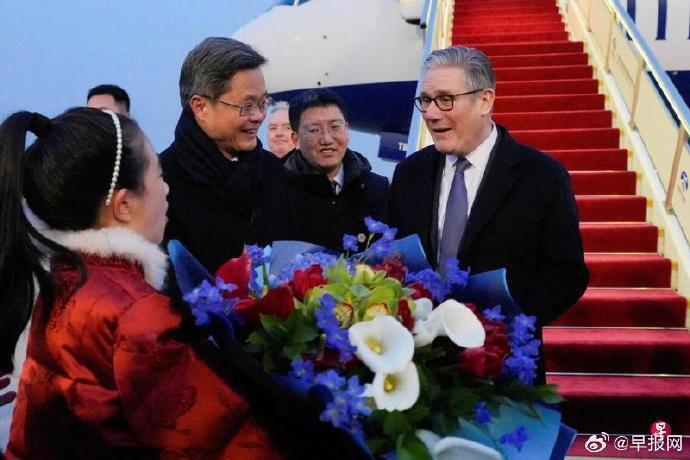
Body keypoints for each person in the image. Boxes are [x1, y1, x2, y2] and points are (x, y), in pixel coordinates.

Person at [0, 108, 281, 458]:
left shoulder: (61, 285)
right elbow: (219, 439)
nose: (166, 189)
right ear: (123, 205)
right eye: (159, 175)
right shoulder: (134, 312)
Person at [389, 46, 589, 372]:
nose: (431, 113)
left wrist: (503, 324)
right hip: (419, 366)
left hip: (501, 363)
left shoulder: (542, 176)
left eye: (445, 99)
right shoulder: (409, 174)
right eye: (425, 100)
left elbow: (567, 275)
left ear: (484, 100)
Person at [161, 37, 289, 273]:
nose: (259, 116)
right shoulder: (162, 182)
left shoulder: (272, 170)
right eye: (247, 106)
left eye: (263, 103)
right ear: (201, 107)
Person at [285, 88, 389, 251]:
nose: (327, 139)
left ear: (347, 130)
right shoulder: (274, 190)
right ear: (295, 139)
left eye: (335, 127)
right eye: (314, 130)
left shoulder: (377, 189)